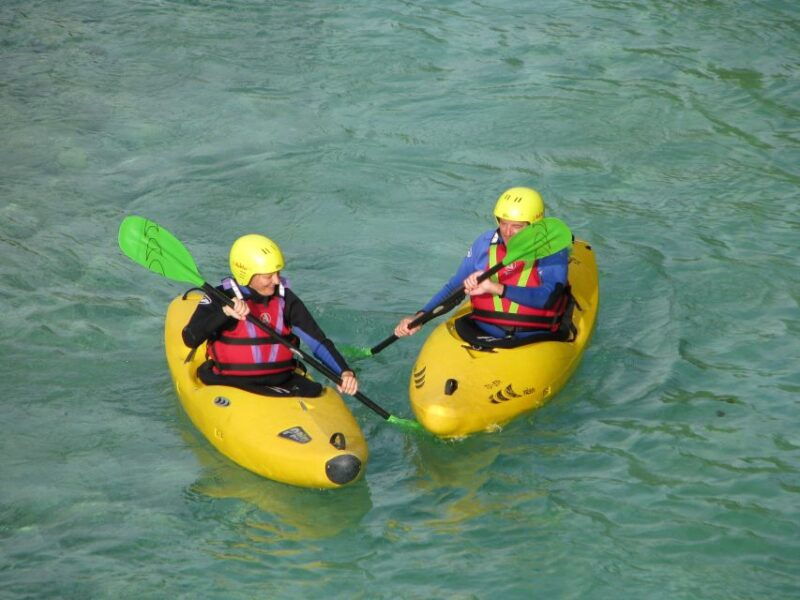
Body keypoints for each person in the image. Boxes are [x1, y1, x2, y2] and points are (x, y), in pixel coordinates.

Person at [182, 234, 358, 398]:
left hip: (282, 382)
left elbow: (318, 343)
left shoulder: (285, 299)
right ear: (246, 273)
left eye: (278, 273)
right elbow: (190, 337)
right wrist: (225, 313)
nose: (276, 280)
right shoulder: (219, 297)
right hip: (229, 383)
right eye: (268, 276)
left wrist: (344, 372)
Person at [394, 187, 571, 344]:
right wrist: (419, 317)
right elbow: (453, 289)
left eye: (517, 226)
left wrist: (495, 288)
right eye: (503, 223)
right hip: (480, 333)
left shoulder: (551, 250)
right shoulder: (485, 243)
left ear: (534, 225)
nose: (508, 232)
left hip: (534, 337)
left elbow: (548, 298)